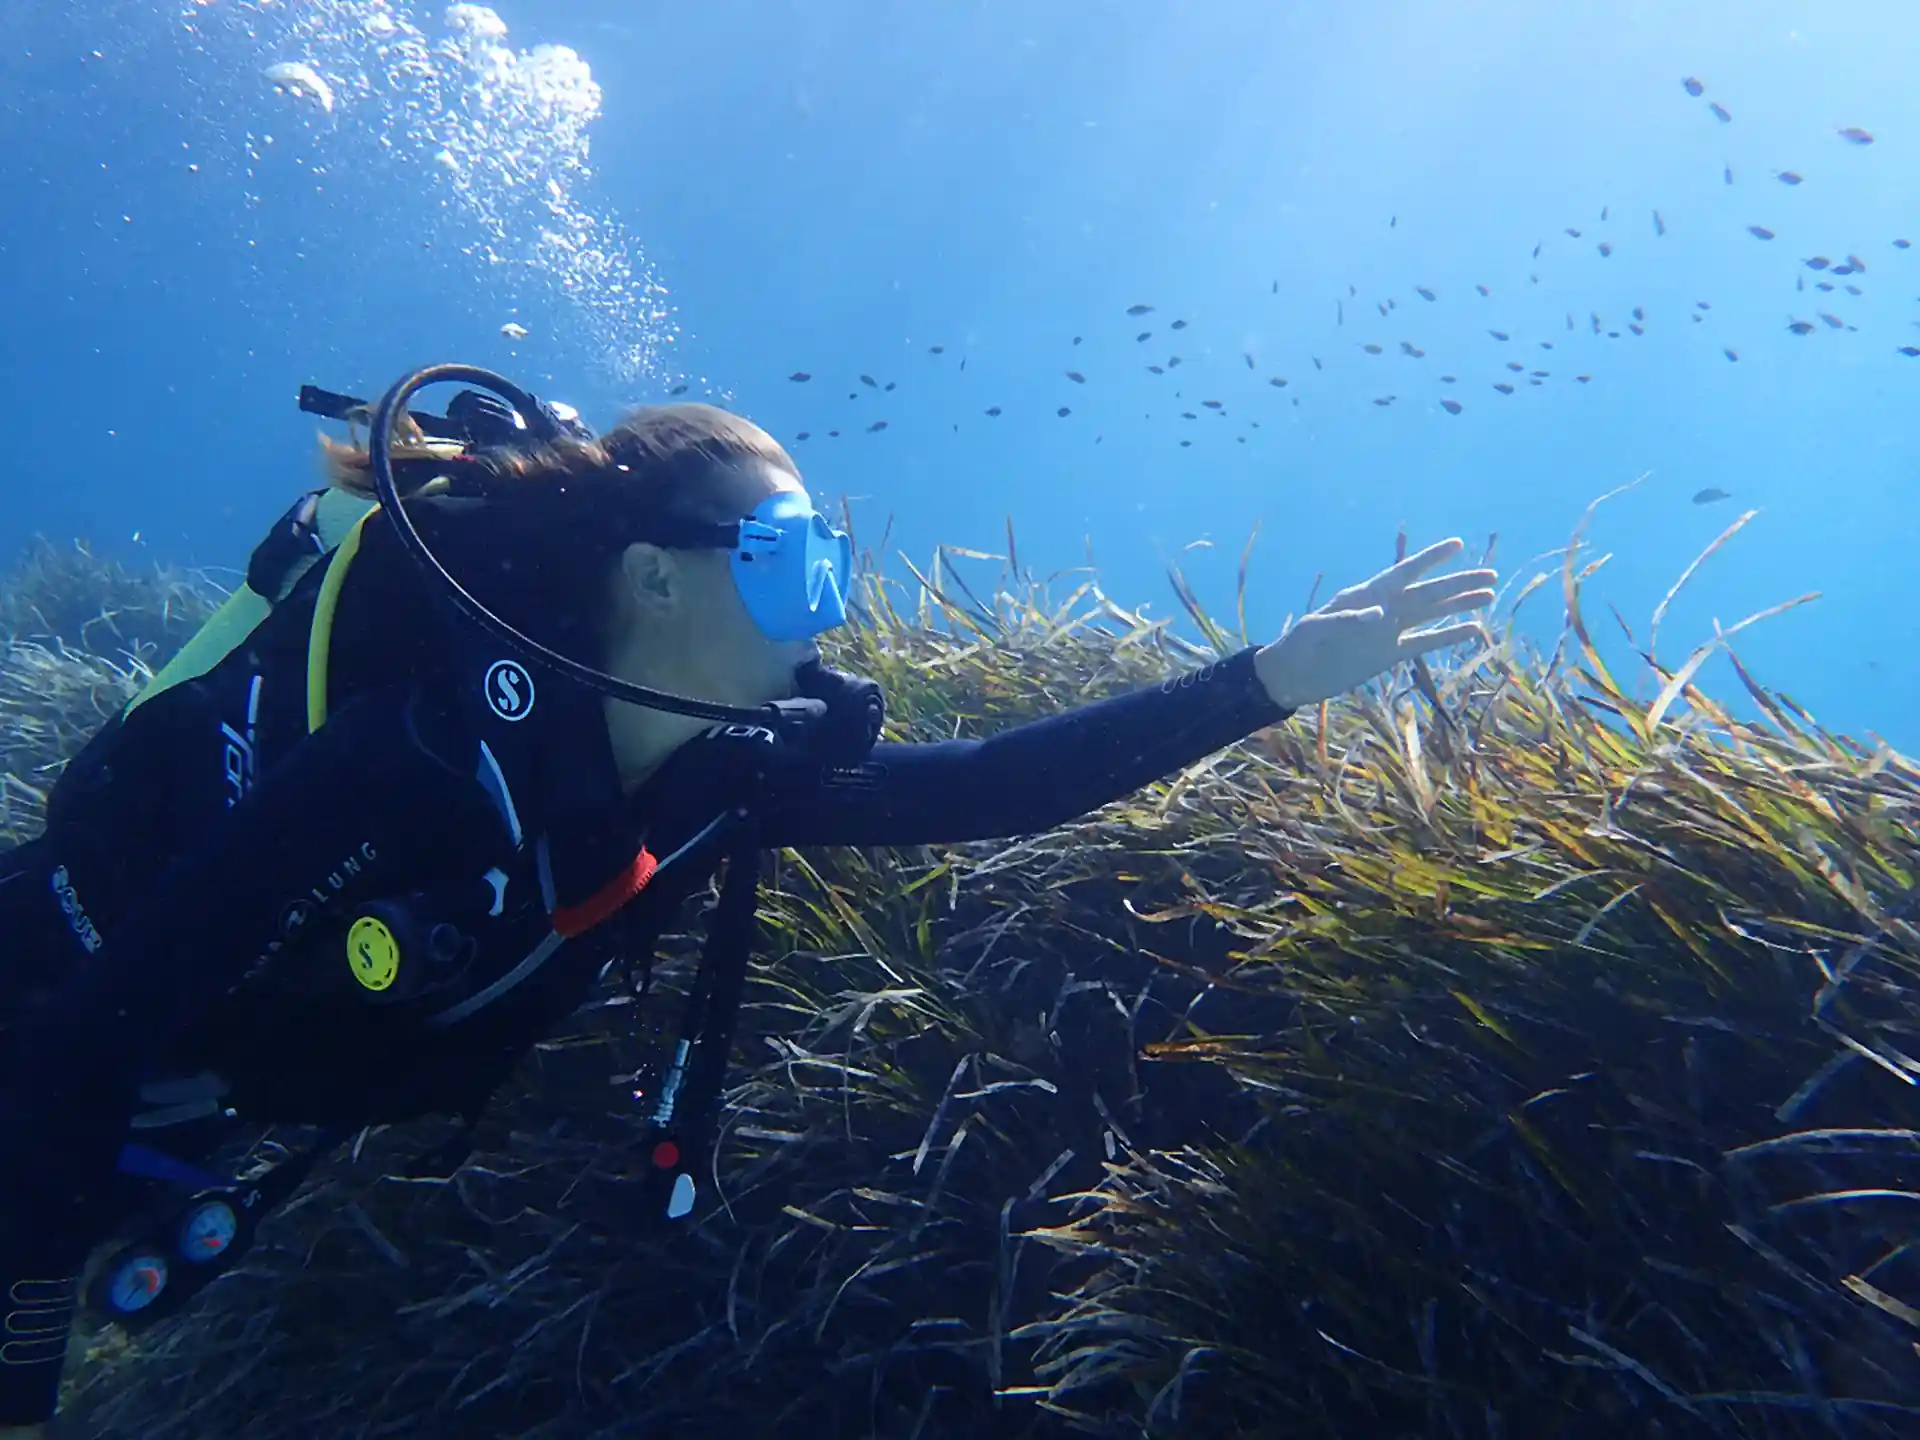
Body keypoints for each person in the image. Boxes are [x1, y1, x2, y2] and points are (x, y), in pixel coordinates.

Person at [0, 366, 1494, 1434]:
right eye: (787, 567)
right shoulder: (425, 760)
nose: (827, 616)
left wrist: (1273, 682)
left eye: (830, 569)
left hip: (194, 1107)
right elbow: (73, 1054)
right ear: (654, 582)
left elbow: (987, 790)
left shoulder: (718, 778)